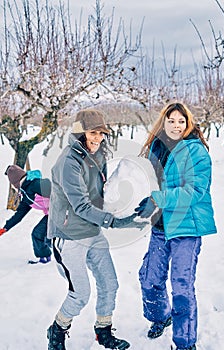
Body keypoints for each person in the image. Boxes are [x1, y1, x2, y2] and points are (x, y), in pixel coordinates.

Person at [47, 108, 144, 350]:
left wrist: (129, 204)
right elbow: (80, 205)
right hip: (69, 236)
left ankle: (103, 330)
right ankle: (57, 330)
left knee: (109, 283)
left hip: (93, 232)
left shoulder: (98, 155)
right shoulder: (68, 163)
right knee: (80, 294)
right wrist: (113, 221)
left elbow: (104, 193)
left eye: (101, 133)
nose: (98, 138)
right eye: (93, 132)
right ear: (80, 132)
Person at [135, 102, 217, 350]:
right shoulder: (155, 148)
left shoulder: (196, 151)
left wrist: (158, 198)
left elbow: (195, 190)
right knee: (149, 279)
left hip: (187, 228)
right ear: (164, 121)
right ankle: (161, 317)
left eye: (181, 121)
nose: (176, 125)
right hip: (160, 226)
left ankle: (184, 342)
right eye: (171, 120)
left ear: (188, 123)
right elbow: (147, 182)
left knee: (181, 286)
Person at [0, 165, 52, 263]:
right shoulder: (27, 195)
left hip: (63, 211)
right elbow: (20, 214)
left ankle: (47, 258)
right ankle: (46, 257)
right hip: (52, 214)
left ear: (15, 183)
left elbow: (58, 190)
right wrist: (5, 228)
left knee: (39, 233)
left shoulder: (35, 184)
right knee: (41, 234)